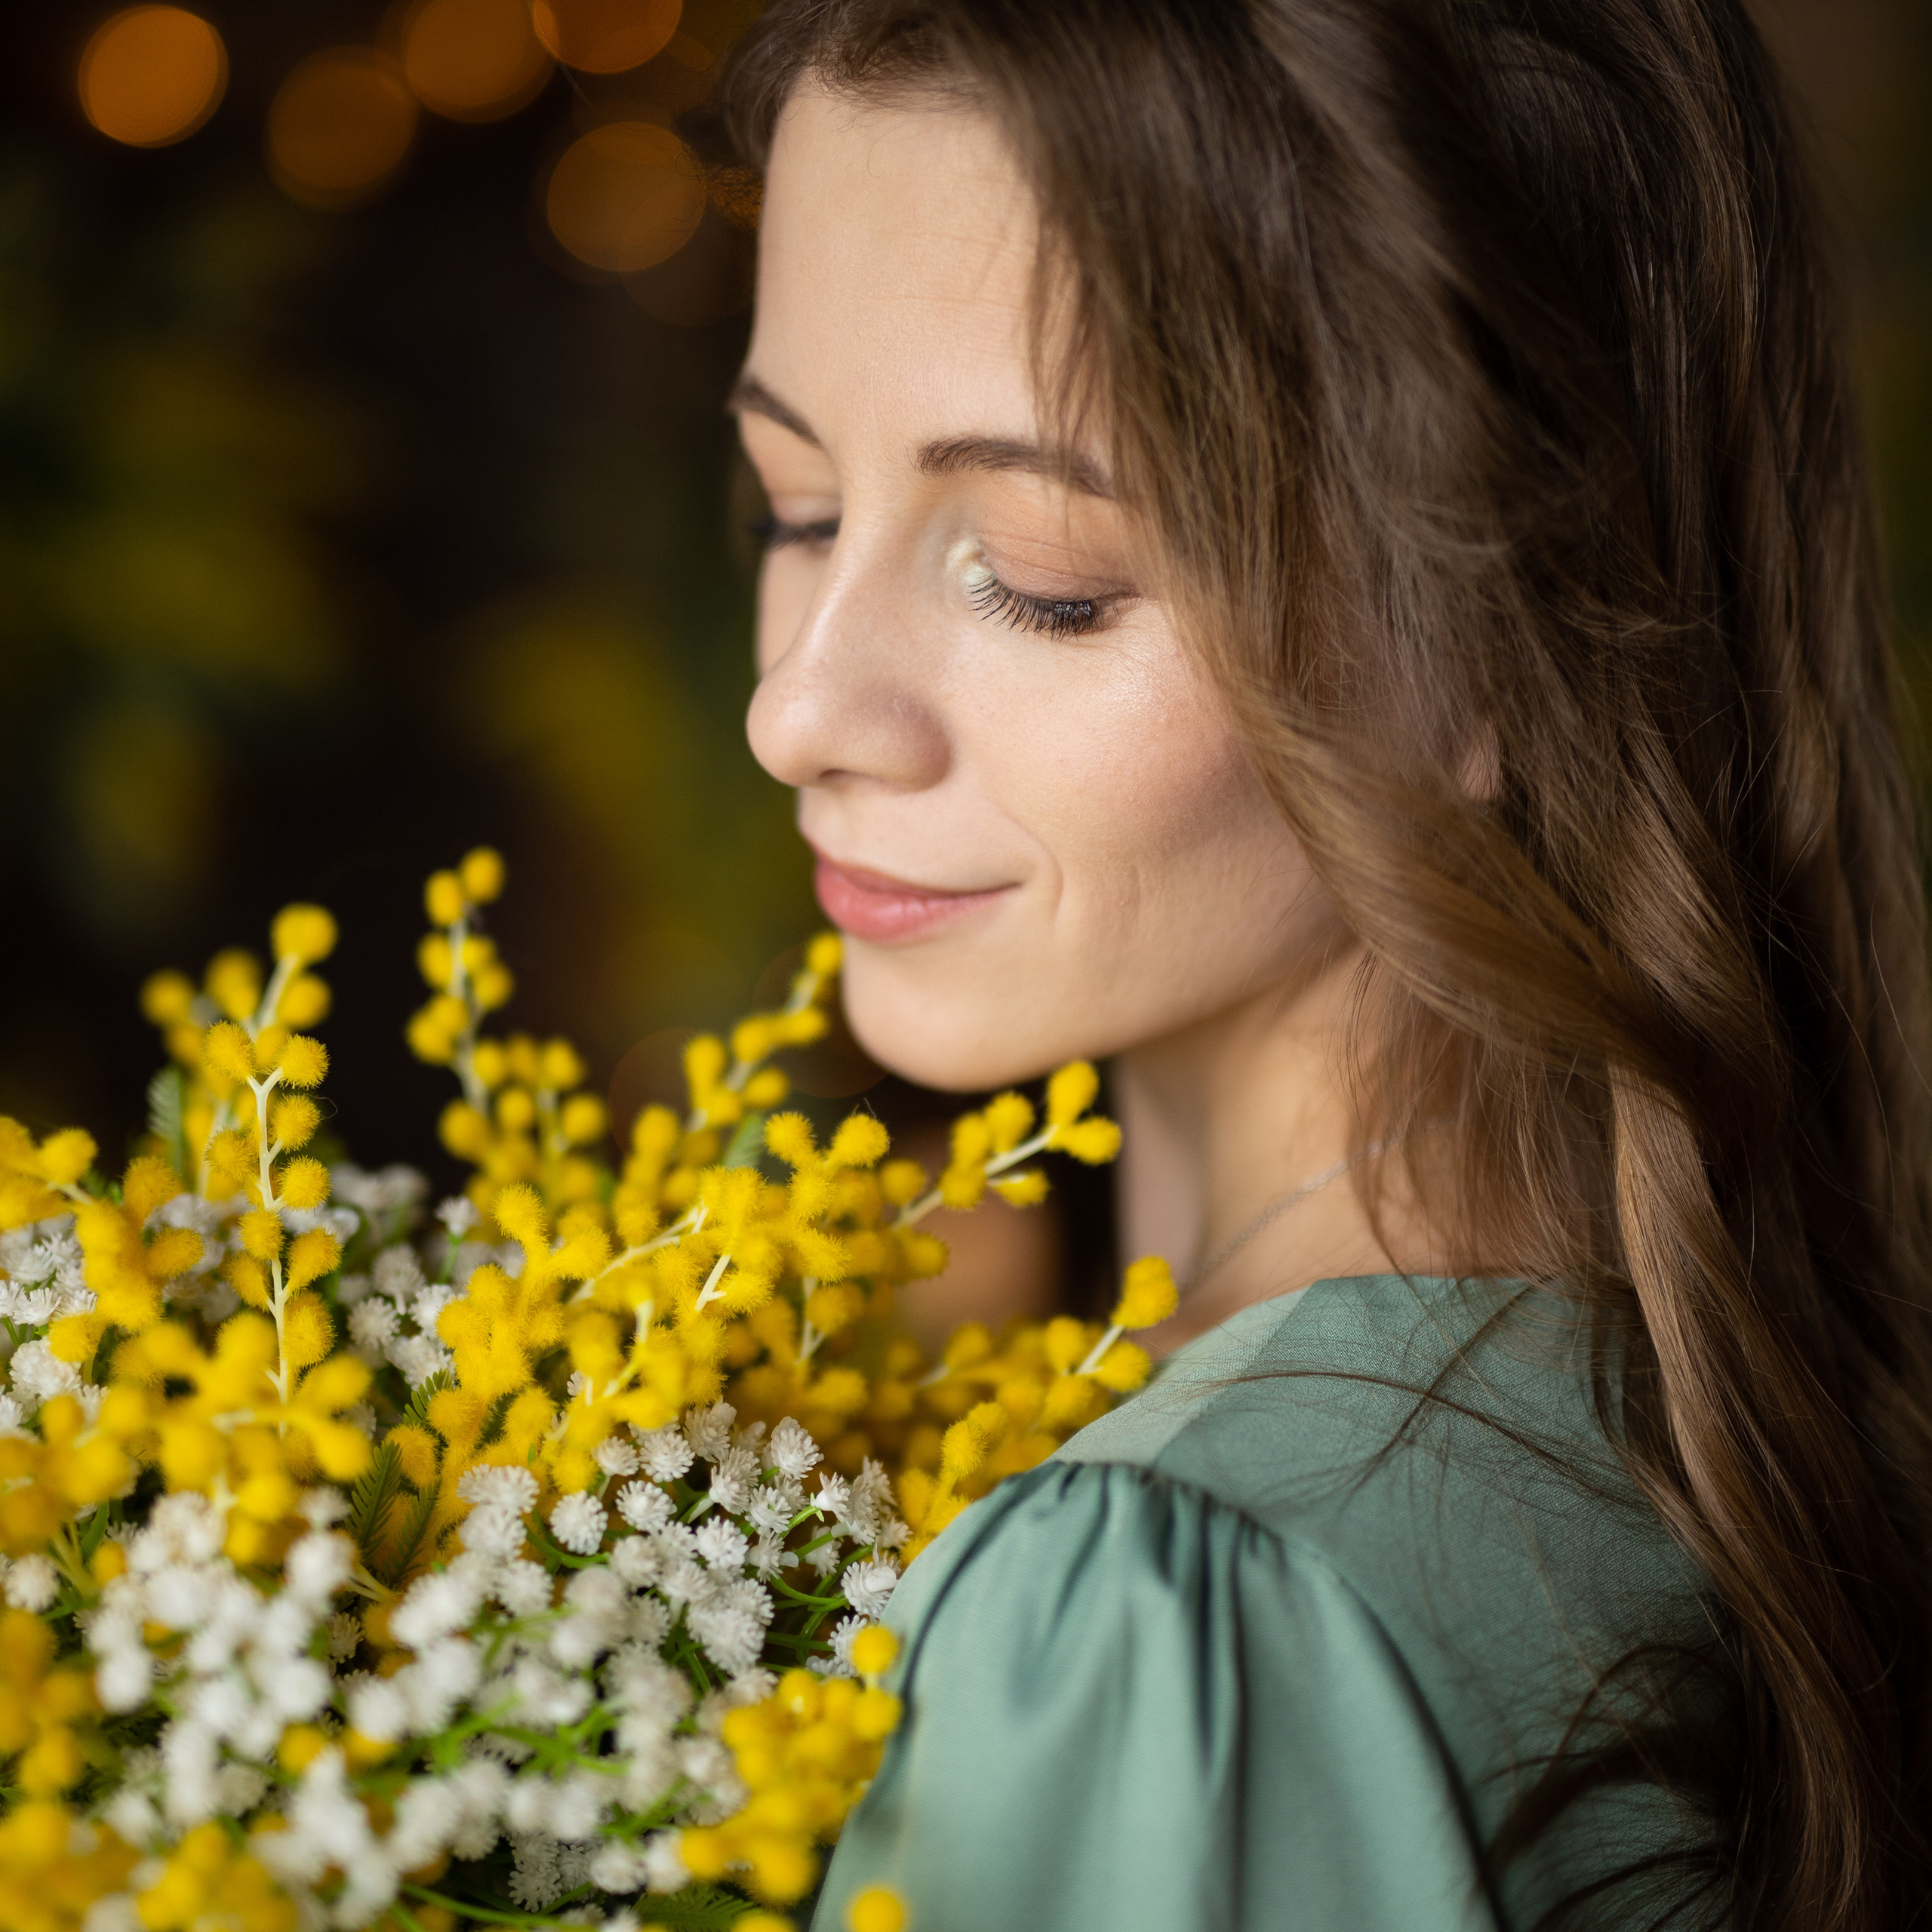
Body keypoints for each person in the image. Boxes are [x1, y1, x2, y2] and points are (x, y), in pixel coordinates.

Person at [700, 2, 1932, 1925]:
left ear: (1493, 624)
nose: (797, 710)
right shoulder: (1672, 1427)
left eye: (1040, 571)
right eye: (799, 506)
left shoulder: (1176, 1606)